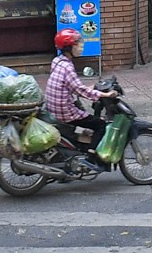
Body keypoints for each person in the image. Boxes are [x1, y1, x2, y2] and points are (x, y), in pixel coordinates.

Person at [43, 28, 106, 170]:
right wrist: (104, 95)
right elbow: (80, 90)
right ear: (68, 47)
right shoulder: (68, 67)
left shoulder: (57, 61)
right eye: (77, 43)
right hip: (65, 112)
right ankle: (91, 157)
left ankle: (78, 149)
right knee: (100, 124)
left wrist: (89, 87)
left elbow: (71, 86)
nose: (80, 46)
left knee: (84, 112)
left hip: (53, 107)